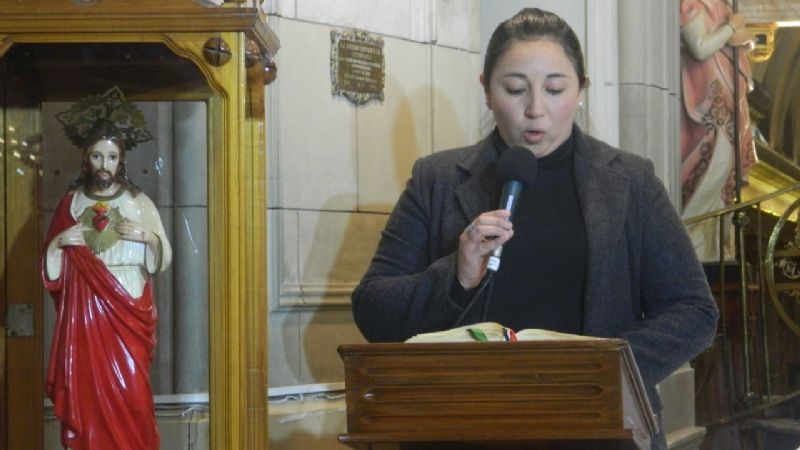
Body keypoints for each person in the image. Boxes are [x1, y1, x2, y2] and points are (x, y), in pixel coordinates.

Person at [352, 8, 718, 450]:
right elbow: (373, 310)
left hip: (596, 428)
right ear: (486, 90)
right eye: (515, 89)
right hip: (461, 430)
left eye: (555, 88)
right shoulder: (437, 179)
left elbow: (694, 310)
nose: (535, 110)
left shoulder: (630, 180)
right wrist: (457, 276)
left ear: (580, 89)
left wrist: (598, 368)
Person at [41, 89, 171, 450]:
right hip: (84, 316)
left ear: (121, 160)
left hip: (127, 305)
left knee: (133, 395)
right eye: (97, 155)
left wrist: (148, 238)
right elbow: (50, 267)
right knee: (86, 393)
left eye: (111, 156)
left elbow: (162, 254)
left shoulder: (138, 202)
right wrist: (59, 243)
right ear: (86, 158)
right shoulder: (71, 202)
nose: (104, 163)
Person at [680, 0, 756, 262]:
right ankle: (690, 247)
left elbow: (739, 44)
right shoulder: (693, 4)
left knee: (723, 180)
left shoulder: (722, 6)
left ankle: (714, 251)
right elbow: (700, 48)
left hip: (728, 102)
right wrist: (730, 28)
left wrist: (744, 39)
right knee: (713, 169)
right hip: (708, 106)